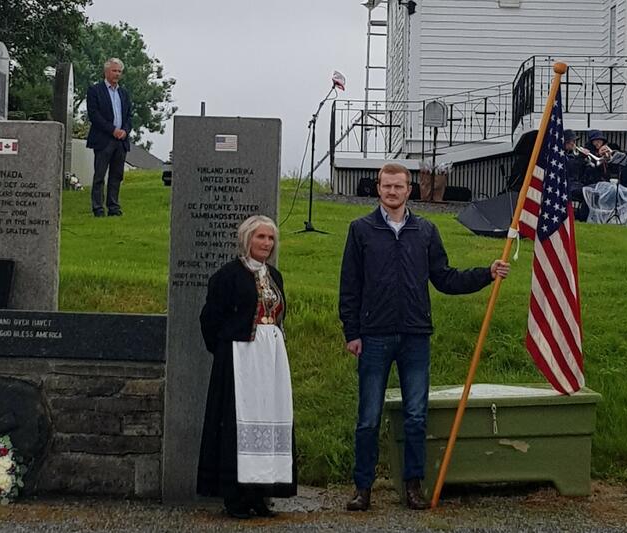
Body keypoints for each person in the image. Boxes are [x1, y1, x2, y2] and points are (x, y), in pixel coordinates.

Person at [338, 163, 509, 512]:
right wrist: (352, 332)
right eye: (386, 186)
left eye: (398, 186)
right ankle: (363, 488)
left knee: (416, 415)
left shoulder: (426, 231)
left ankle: (413, 486)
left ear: (409, 190)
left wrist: (486, 275)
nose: (392, 192)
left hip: (416, 335)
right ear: (378, 190)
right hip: (373, 337)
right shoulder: (360, 230)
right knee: (368, 417)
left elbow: (445, 278)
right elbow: (349, 287)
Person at [198, 215, 296, 519]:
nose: (266, 243)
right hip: (241, 358)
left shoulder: (275, 276)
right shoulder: (227, 276)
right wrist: (228, 350)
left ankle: (260, 493)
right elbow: (210, 320)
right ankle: (236, 495)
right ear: (246, 239)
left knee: (269, 417)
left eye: (270, 238)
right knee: (239, 421)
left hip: (271, 357)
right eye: (260, 237)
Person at [86, 58, 132, 217]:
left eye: (119, 71)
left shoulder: (123, 93)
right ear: (106, 72)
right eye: (114, 71)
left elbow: (129, 116)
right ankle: (98, 208)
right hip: (103, 139)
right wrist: (112, 130)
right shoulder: (95, 90)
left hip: (121, 141)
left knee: (116, 176)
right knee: (99, 175)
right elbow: (94, 115)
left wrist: (124, 131)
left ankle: (113, 207)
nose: (117, 74)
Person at [563, 130, 590, 222]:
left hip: (575, 184)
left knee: (590, 191)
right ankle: (582, 217)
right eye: (573, 141)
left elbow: (578, 173)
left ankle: (581, 215)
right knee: (587, 194)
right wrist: (581, 158)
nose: (574, 144)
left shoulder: (571, 155)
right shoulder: (561, 155)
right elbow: (570, 168)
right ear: (566, 141)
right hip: (567, 186)